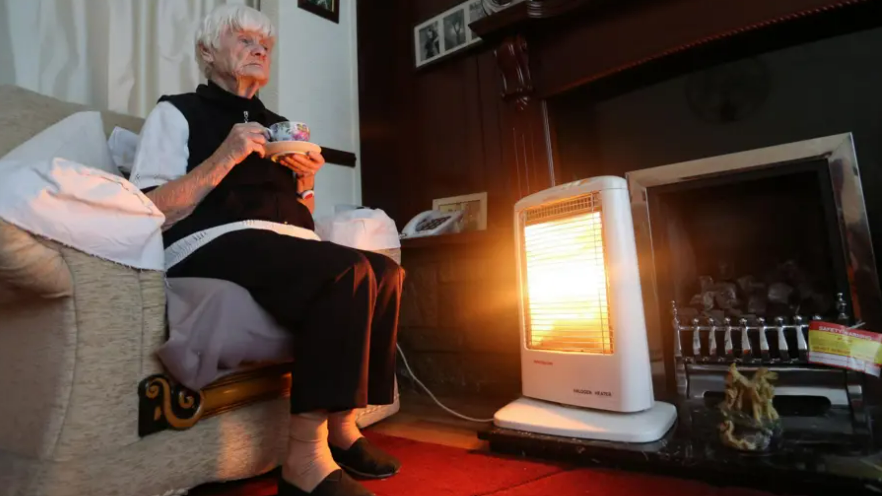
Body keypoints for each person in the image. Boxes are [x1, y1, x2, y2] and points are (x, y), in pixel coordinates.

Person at [130, 5, 402, 496]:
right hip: (205, 240)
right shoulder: (176, 111)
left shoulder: (281, 126)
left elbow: (295, 213)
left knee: (383, 271)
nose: (260, 48)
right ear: (207, 51)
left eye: (266, 44)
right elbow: (151, 207)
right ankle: (303, 460)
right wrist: (226, 155)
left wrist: (306, 181)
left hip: (280, 243)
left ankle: (343, 424)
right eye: (245, 38)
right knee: (345, 270)